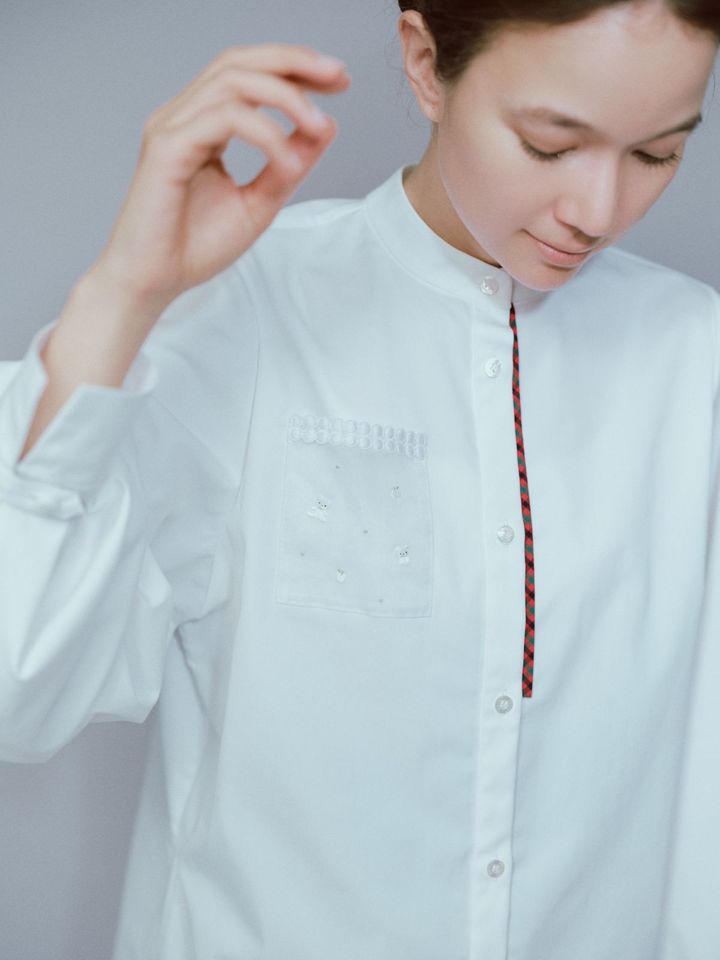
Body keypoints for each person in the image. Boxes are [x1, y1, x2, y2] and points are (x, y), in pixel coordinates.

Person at [1, 1, 719, 957]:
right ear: (425, 62)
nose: (597, 210)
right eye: (550, 145)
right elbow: (19, 690)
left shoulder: (693, 357)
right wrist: (120, 298)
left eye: (658, 154)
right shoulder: (247, 307)